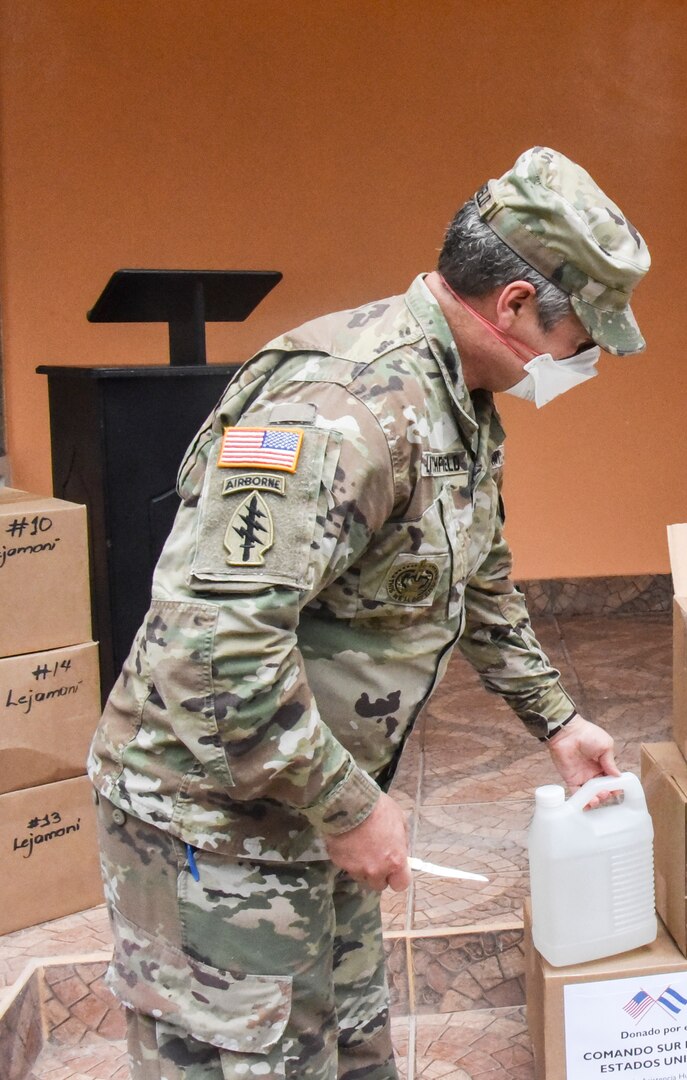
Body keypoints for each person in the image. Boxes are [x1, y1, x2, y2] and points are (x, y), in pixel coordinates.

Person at [88, 146, 650, 1078]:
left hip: (305, 800)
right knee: (248, 1062)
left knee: (345, 1051)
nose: (577, 364)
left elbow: (479, 581)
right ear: (512, 304)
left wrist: (555, 719)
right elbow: (214, 645)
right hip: (212, 824)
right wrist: (350, 807)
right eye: (579, 340)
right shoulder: (340, 411)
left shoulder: (457, 401)